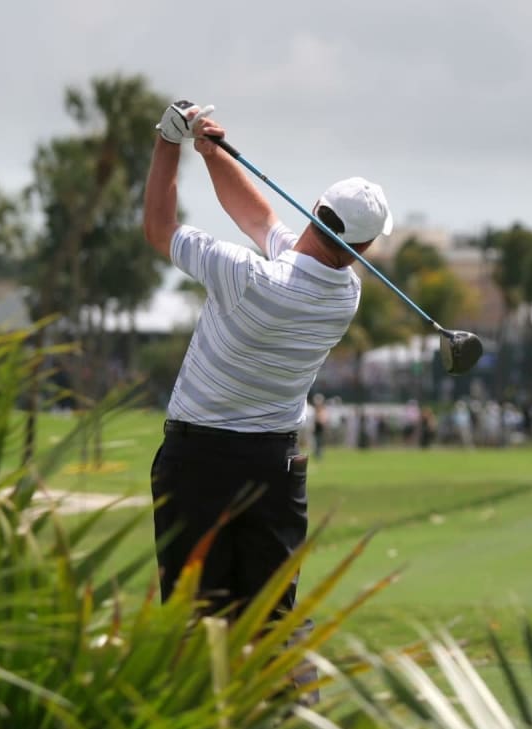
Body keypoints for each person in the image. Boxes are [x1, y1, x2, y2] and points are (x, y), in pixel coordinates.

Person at [142, 100, 392, 622]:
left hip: (198, 464)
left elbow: (161, 229)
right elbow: (260, 221)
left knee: (195, 624)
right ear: (363, 246)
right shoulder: (346, 293)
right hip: (273, 470)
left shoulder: (247, 276)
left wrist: (168, 142)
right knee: (267, 625)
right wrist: (212, 154)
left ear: (316, 208)